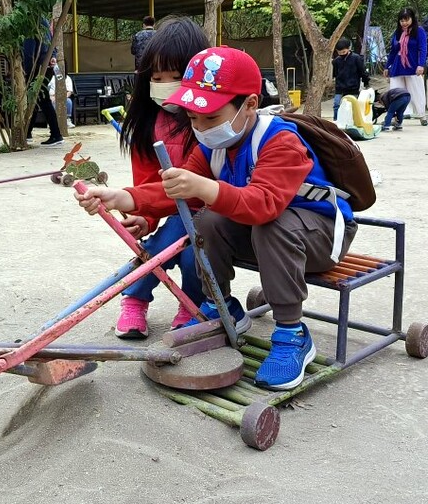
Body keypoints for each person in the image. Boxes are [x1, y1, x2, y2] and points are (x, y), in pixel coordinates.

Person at [75, 47, 359, 390]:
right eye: (193, 118)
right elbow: (177, 191)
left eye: (210, 117)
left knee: (273, 222)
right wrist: (123, 197)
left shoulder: (281, 141)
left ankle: (292, 334)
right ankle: (223, 308)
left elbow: (263, 205)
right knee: (205, 219)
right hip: (266, 237)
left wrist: (206, 187)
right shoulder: (214, 146)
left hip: (322, 238)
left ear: (250, 104)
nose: (199, 127)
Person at [79, 19, 208, 339]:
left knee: (194, 254)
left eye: (177, 77)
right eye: (157, 78)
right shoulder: (149, 124)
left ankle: (191, 305)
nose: (166, 85)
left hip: (210, 211)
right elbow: (148, 182)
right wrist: (144, 216)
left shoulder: (210, 123)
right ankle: (135, 300)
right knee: (157, 248)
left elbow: (201, 188)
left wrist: (132, 198)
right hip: (178, 211)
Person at [384, 7, 428, 126]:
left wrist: (421, 64)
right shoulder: (397, 33)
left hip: (412, 66)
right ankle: (396, 117)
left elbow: (423, 49)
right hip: (397, 66)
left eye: (406, 20)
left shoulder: (419, 31)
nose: (404, 23)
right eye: (401, 20)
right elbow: (393, 51)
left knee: (416, 91)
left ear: (412, 19)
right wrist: (386, 66)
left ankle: (421, 115)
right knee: (395, 93)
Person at [23, 17, 63, 146]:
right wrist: (53, 56)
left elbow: (29, 51)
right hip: (46, 66)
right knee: (35, 99)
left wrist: (27, 71)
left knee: (42, 99)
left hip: (37, 68)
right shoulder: (44, 21)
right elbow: (53, 45)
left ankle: (56, 134)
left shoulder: (30, 22)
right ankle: (27, 133)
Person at [332, 37, 369, 121]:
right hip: (340, 88)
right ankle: (336, 121)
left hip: (353, 88)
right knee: (337, 104)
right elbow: (335, 74)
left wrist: (366, 82)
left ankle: (350, 121)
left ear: (348, 49)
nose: (341, 54)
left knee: (351, 106)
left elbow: (362, 72)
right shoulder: (336, 61)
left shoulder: (356, 58)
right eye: (339, 52)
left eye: (344, 52)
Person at [48, 61, 75, 129]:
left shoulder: (67, 78)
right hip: (52, 96)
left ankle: (67, 120)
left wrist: (62, 97)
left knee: (68, 101)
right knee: (51, 102)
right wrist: (51, 97)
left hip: (62, 96)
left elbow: (69, 91)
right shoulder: (50, 77)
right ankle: (52, 122)